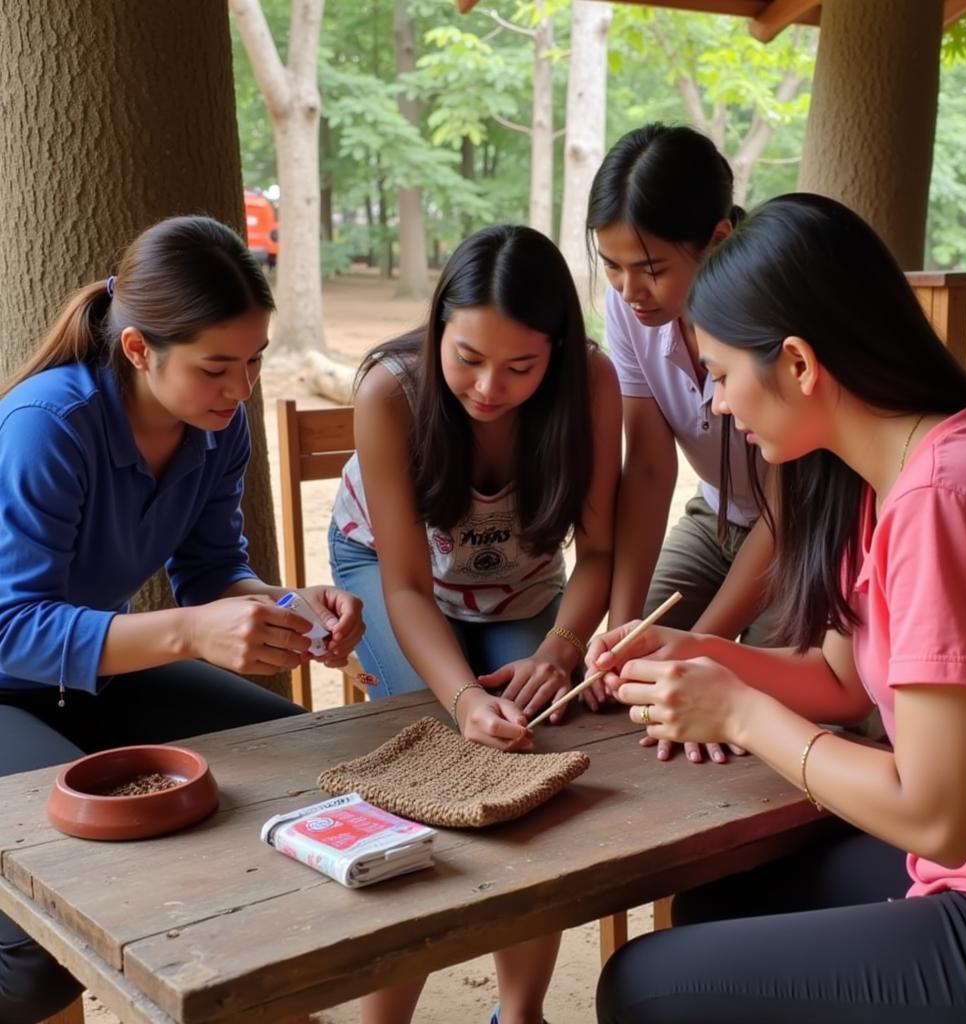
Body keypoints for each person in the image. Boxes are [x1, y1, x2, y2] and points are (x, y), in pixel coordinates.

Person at [590, 193, 966, 1023]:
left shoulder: (946, 498)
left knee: (645, 986)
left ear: (796, 362)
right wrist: (698, 655)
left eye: (719, 375)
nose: (715, 405)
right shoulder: (879, 480)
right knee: (717, 901)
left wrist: (743, 715)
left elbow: (936, 815)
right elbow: (839, 684)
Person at [0, 215, 364, 1024]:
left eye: (254, 361)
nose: (240, 390)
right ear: (139, 351)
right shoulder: (49, 425)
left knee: (298, 764)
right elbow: (11, 628)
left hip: (100, 669)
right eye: (216, 368)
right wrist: (191, 632)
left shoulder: (216, 426)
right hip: (8, 685)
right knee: (44, 923)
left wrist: (287, 607)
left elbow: (211, 571)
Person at [329, 224, 621, 1024]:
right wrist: (461, 698)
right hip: (395, 578)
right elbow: (406, 587)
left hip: (525, 590)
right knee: (439, 754)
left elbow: (597, 551)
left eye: (521, 366)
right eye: (468, 358)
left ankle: (518, 1015)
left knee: (534, 757)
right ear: (437, 330)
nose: (490, 386)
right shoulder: (391, 389)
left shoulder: (592, 381)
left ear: (557, 351)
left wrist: (562, 649)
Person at [587, 123, 776, 764]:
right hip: (714, 517)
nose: (629, 291)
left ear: (718, 239)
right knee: (621, 678)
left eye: (651, 269)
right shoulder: (629, 307)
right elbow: (644, 468)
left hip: (801, 539)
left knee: (759, 702)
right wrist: (622, 625)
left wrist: (702, 648)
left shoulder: (769, 309)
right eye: (611, 266)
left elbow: (792, 509)